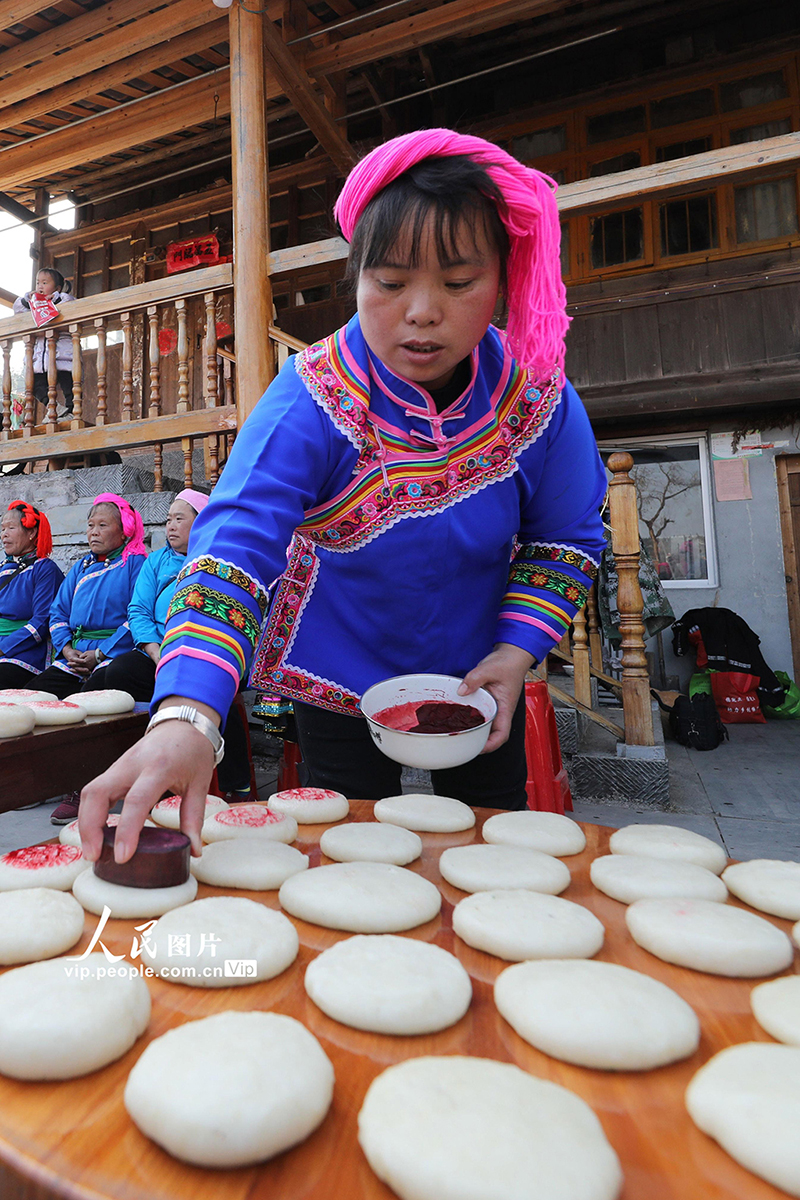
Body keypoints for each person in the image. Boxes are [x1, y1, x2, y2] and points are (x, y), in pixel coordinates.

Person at [81, 128, 607, 865]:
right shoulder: (311, 397)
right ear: (356, 277)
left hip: (482, 675)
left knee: (495, 852)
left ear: (504, 279)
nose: (422, 311)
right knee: (351, 858)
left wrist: (518, 653)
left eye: (458, 284)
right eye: (389, 282)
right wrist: (189, 712)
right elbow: (234, 545)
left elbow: (565, 541)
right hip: (336, 670)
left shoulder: (539, 393)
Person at [96, 488, 254, 803]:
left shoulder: (220, 561)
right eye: (168, 519)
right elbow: (138, 610)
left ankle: (237, 786)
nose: (169, 526)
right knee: (114, 675)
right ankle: (127, 771)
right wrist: (156, 653)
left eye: (179, 519)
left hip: (207, 651)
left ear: (202, 522)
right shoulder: (155, 563)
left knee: (214, 689)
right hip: (158, 651)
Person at [38, 493, 147, 825]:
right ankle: (36, 778)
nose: (94, 532)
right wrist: (67, 650)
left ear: (125, 529)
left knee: (86, 703)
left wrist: (100, 653)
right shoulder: (81, 566)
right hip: (73, 653)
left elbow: (135, 617)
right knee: (38, 694)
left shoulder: (136, 564)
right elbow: (58, 612)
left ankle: (79, 785)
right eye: (90, 525)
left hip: (114, 651)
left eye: (103, 525)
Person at [0, 502, 64, 688]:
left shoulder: (44, 569)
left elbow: (42, 621)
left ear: (31, 533)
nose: (4, 534)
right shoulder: (2, 569)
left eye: (11, 528)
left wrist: (4, 647)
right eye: (3, 529)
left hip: (25, 652)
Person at [13, 268, 76, 419]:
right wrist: (27, 299)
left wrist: (53, 298)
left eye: (45, 282)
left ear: (58, 288)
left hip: (62, 355)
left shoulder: (62, 299)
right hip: (39, 358)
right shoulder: (33, 303)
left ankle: (72, 411)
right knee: (34, 385)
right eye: (38, 283)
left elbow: (70, 303)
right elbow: (18, 310)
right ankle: (54, 407)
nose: (40, 286)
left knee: (69, 385)